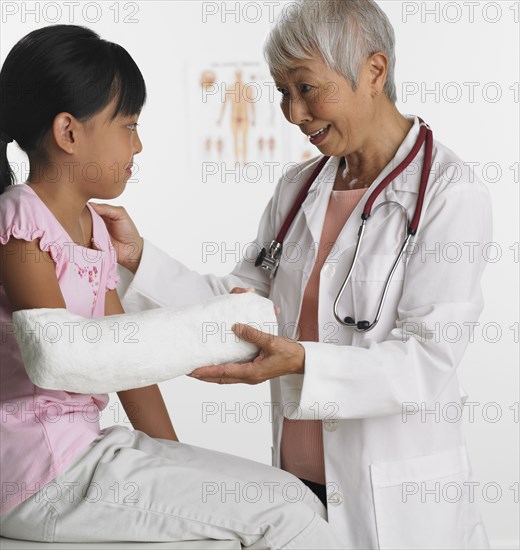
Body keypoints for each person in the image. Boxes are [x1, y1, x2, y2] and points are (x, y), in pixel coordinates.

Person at [92, 1, 492, 548]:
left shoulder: (448, 193)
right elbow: (241, 304)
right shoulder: (298, 189)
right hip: (295, 488)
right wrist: (138, 256)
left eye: (306, 88)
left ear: (375, 72)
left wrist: (303, 360)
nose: (293, 112)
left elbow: (426, 362)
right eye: (283, 91)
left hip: (395, 500)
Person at [0, 24, 343, 548]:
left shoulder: (93, 229)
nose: (138, 144)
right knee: (283, 518)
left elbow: (126, 365)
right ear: (69, 133)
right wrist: (202, 333)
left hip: (83, 453)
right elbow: (66, 357)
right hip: (39, 475)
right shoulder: (19, 221)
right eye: (128, 126)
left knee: (293, 497)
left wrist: (176, 457)